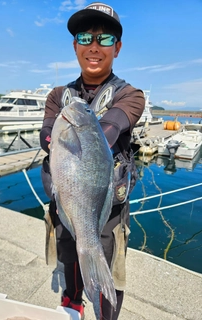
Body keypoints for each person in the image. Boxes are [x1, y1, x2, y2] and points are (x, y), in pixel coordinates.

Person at [40, 2, 145, 319]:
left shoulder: (130, 95)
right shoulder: (59, 95)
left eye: (106, 38)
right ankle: (72, 305)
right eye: (85, 38)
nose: (94, 46)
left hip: (105, 211)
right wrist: (61, 132)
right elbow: (45, 136)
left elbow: (110, 129)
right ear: (75, 46)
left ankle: (104, 315)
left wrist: (79, 126)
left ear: (118, 47)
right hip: (64, 203)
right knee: (68, 262)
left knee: (108, 272)